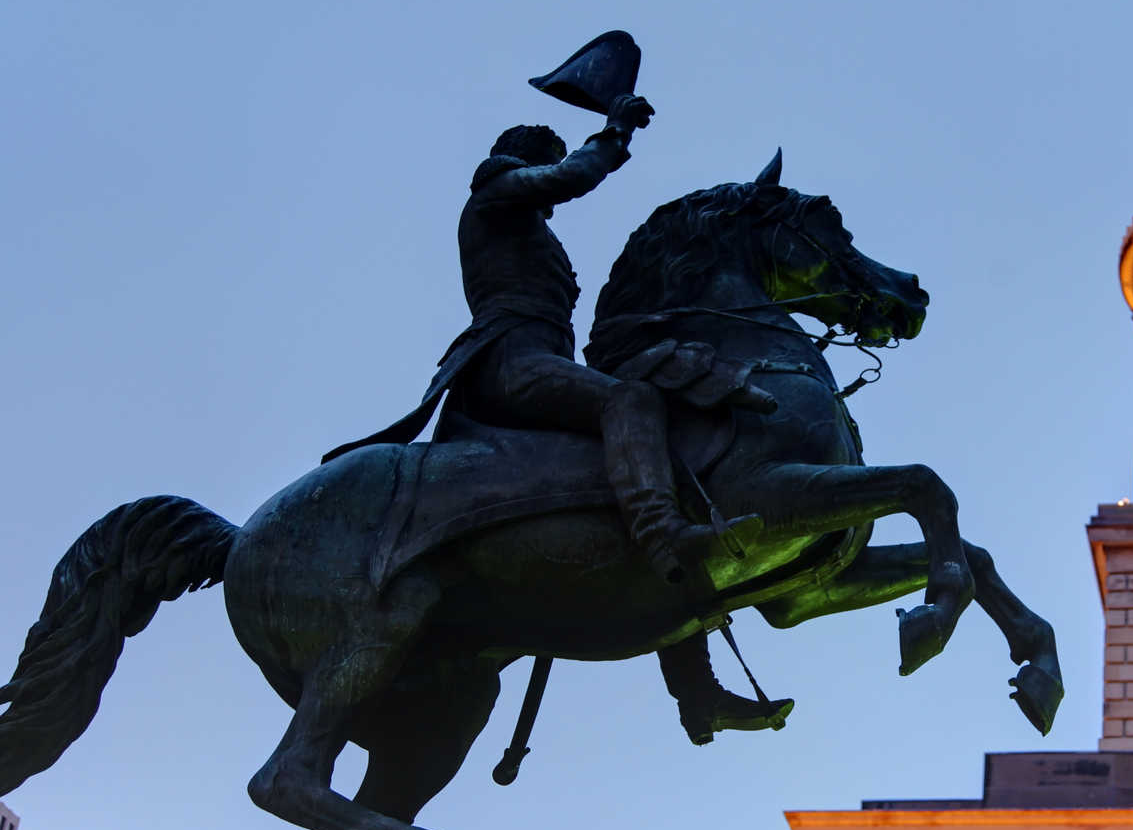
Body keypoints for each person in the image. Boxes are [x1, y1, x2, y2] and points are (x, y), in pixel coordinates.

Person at [326, 94, 792, 743]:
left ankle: (698, 691)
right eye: (543, 163)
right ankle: (661, 531)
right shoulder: (496, 188)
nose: (545, 189)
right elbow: (569, 179)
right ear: (524, 158)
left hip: (537, 362)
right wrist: (615, 132)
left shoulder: (525, 224)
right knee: (629, 400)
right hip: (510, 362)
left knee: (668, 468)